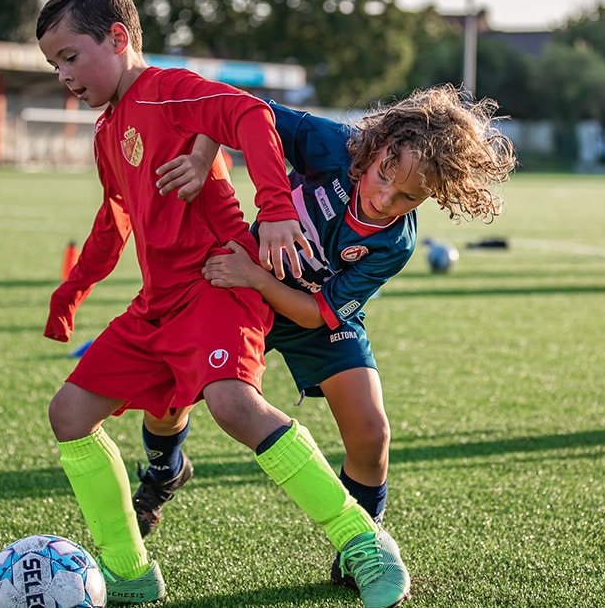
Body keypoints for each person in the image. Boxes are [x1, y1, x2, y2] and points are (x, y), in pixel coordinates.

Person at [36, 0, 410, 608]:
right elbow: (113, 219)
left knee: (234, 407)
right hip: (157, 304)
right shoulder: (108, 132)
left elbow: (249, 112)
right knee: (68, 415)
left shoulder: (168, 91)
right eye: (54, 64)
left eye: (71, 57)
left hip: (218, 280)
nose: (64, 75)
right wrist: (72, 292)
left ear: (119, 38)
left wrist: (276, 207)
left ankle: (363, 542)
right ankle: (129, 573)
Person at [133, 85, 518, 588]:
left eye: (409, 196)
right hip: (245, 286)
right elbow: (237, 109)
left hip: (301, 303)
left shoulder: (394, 243)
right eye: (385, 176)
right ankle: (164, 471)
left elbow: (319, 314)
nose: (386, 199)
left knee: (371, 434)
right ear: (375, 146)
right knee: (166, 395)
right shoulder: (337, 146)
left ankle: (361, 540)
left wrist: (258, 277)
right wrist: (204, 156)